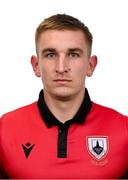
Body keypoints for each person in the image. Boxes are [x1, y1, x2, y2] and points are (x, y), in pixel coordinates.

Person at [0, 14, 128, 179]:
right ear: (36, 65)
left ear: (91, 65)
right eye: (51, 55)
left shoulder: (124, 131)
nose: (61, 68)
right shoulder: (4, 130)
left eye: (73, 54)